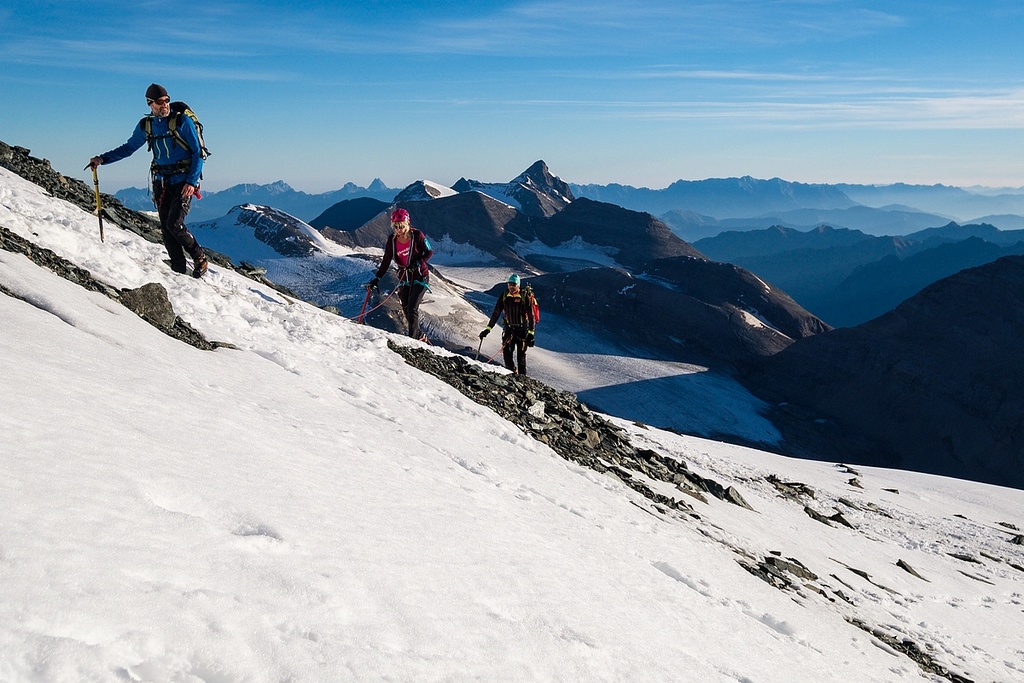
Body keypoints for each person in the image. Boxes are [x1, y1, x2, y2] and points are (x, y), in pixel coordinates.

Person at [87, 83, 208, 278]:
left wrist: (192, 182)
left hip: (184, 180)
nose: (165, 104)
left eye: (167, 100)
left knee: (174, 224)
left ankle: (199, 257)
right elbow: (129, 148)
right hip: (161, 182)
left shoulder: (181, 121)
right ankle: (178, 270)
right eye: (160, 101)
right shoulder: (147, 126)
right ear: (150, 104)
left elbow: (198, 153)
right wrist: (102, 159)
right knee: (166, 228)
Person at [365, 208, 434, 340]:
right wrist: (377, 278)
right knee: (406, 307)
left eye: (401, 226)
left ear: (407, 224)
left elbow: (429, 252)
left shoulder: (417, 235)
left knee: (412, 308)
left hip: (420, 277)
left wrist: (417, 263)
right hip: (405, 279)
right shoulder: (392, 240)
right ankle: (419, 335)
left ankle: (413, 340)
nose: (398, 230)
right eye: (395, 227)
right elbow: (386, 260)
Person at [479, 274, 536, 375]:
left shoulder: (524, 296)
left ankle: (522, 379)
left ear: (518, 285)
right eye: (509, 284)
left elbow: (531, 316)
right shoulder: (505, 295)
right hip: (509, 329)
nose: (511, 287)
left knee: (521, 357)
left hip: (522, 331)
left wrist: (531, 333)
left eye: (513, 284)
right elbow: (496, 312)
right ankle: (512, 373)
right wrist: (488, 329)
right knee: (507, 355)